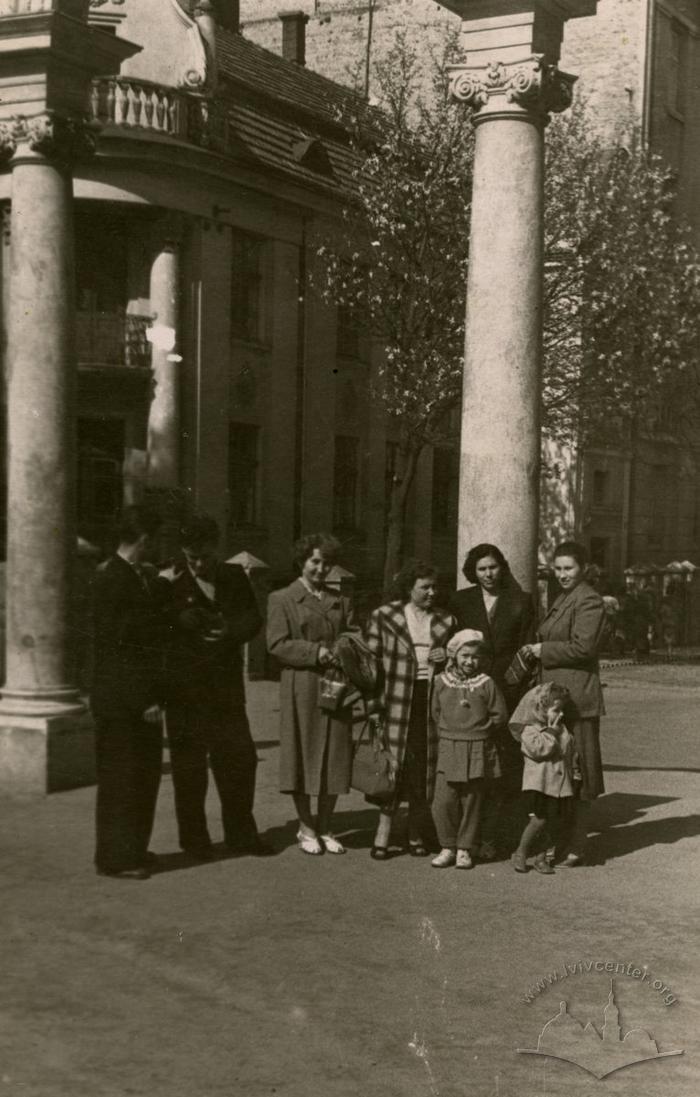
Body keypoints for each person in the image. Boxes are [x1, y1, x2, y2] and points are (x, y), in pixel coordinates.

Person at [163, 514, 270, 859]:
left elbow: (253, 619)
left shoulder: (233, 575)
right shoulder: (169, 579)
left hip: (225, 692)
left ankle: (242, 836)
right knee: (189, 769)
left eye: (205, 556)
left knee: (240, 760)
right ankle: (195, 842)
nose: (198, 564)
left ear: (217, 548)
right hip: (184, 693)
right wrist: (178, 621)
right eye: (191, 557)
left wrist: (231, 631)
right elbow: (153, 632)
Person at [90, 506, 171, 880]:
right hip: (124, 702)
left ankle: (132, 849)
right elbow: (119, 649)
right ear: (144, 539)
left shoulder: (130, 576)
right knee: (123, 780)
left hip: (129, 698)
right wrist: (145, 700)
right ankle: (116, 859)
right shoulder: (114, 580)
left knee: (141, 777)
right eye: (155, 540)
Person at [266, 533, 356, 855]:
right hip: (301, 686)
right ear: (302, 562)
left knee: (334, 754)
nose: (320, 568)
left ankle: (327, 825)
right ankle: (305, 826)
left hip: (336, 684)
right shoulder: (282, 599)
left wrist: (344, 649)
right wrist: (315, 652)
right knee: (302, 755)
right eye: (315, 561)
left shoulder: (341, 600)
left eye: (326, 562)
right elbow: (276, 644)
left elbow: (352, 635)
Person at [365, 561, 456, 860]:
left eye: (434, 587)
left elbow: (459, 663)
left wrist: (446, 656)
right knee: (393, 767)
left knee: (422, 769)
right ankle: (383, 830)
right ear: (408, 588)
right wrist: (374, 705)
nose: (432, 593)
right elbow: (371, 664)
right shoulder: (384, 616)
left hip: (428, 700)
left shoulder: (446, 620)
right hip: (395, 699)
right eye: (424, 588)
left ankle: (415, 831)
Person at [523, 540, 607, 866]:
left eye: (568, 568)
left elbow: (583, 648)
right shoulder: (564, 597)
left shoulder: (589, 600)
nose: (562, 574)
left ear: (583, 568)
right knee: (559, 771)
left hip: (578, 701)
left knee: (581, 771)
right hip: (558, 698)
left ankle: (578, 843)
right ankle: (558, 840)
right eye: (557, 569)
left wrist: (544, 651)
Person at [452, 543, 536, 856]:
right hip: (470, 690)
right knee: (472, 762)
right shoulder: (460, 601)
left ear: (502, 567)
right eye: (482, 569)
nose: (488, 574)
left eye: (493, 567)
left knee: (505, 763)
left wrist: (514, 685)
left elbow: (527, 647)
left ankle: (497, 836)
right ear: (473, 573)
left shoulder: (520, 601)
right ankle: (466, 836)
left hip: (508, 691)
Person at [430, 630, 507, 869]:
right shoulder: (441, 682)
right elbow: (435, 712)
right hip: (449, 746)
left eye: (475, 656)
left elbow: (500, 715)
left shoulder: (486, 683)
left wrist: (479, 731)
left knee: (471, 800)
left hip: (477, 747)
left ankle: (464, 848)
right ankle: (447, 846)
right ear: (453, 655)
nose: (469, 661)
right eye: (465, 655)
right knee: (443, 801)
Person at [509, 682, 579, 875]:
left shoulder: (562, 729)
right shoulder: (529, 730)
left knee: (554, 823)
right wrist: (552, 732)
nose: (561, 714)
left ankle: (541, 858)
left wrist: (574, 769)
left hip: (560, 785)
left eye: (562, 710)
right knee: (538, 821)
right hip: (539, 785)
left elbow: (569, 750)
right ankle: (521, 852)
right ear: (541, 708)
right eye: (556, 710)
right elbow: (540, 750)